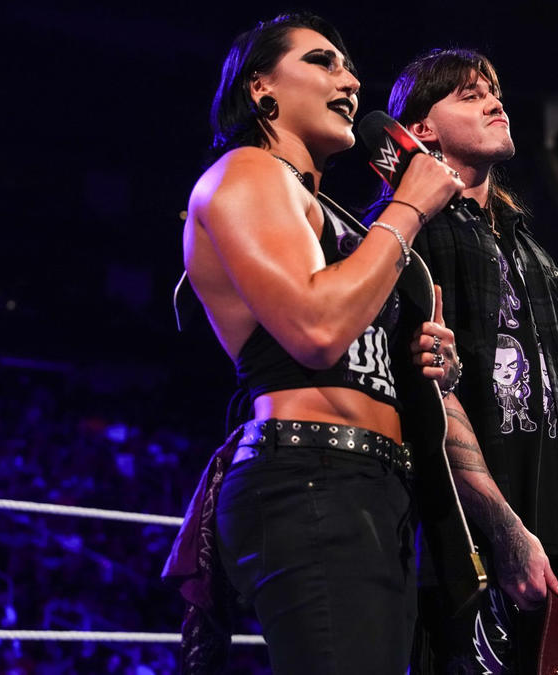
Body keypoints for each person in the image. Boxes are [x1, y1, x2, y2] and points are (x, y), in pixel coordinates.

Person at [165, 13, 465, 673]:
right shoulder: (245, 173)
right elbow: (317, 329)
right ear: (261, 89)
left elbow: (354, 340)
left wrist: (430, 361)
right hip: (311, 477)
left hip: (377, 489)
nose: (350, 81)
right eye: (322, 62)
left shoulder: (336, 218)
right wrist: (409, 207)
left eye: (350, 67)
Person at [371, 49, 558, 674]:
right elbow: (427, 392)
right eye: (469, 95)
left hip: (556, 541)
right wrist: (503, 530)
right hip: (465, 549)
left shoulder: (535, 252)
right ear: (422, 128)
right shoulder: (409, 233)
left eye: (493, 91)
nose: (495, 103)